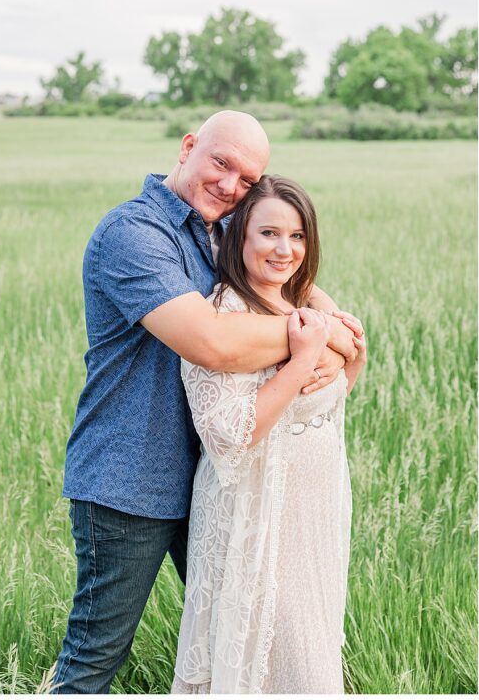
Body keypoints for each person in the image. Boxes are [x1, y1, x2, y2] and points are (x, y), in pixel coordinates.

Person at [52, 112, 359, 693]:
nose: (230, 186)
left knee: (242, 637)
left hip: (218, 483)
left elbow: (291, 269)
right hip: (130, 482)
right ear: (189, 147)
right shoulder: (135, 233)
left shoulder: (220, 229)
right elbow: (212, 342)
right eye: (222, 164)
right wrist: (315, 334)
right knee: (95, 658)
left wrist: (326, 320)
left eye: (247, 179)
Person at [172, 176, 366, 692]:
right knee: (275, 655)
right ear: (239, 237)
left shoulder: (301, 307)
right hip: (258, 516)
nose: (285, 250)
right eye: (270, 234)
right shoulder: (226, 313)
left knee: (310, 650)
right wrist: (303, 358)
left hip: (316, 513)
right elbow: (231, 435)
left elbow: (330, 399)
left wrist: (354, 356)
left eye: (298, 236)